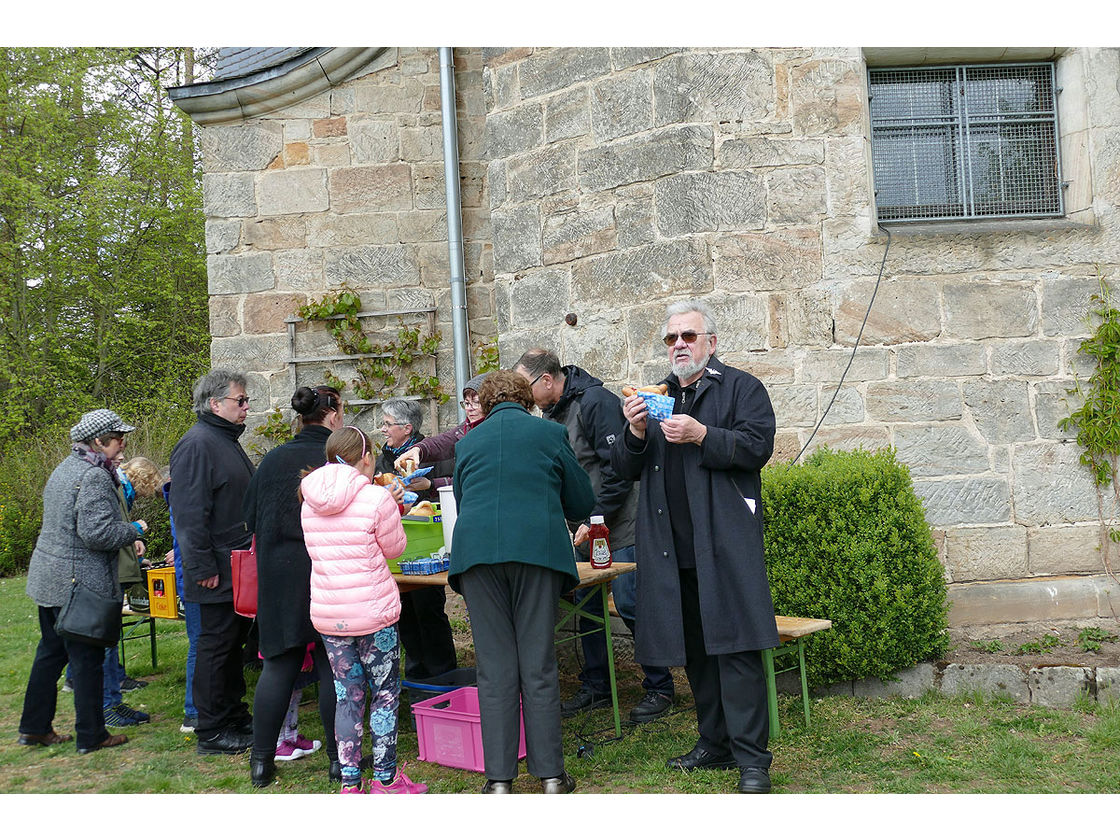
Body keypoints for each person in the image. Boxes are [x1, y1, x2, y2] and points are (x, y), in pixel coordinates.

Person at [611, 299, 780, 795]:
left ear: (710, 342)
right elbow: (623, 467)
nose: (679, 345)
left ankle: (753, 761)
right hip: (670, 550)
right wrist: (636, 431)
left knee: (738, 650)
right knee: (698, 652)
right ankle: (714, 743)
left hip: (723, 545)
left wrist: (704, 434)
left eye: (688, 336)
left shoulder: (742, 388)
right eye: (671, 339)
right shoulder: (657, 396)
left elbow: (758, 447)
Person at [449, 370, 595, 794]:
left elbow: (463, 499)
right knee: (538, 665)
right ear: (527, 399)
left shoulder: (467, 442)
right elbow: (582, 500)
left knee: (493, 670)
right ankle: (550, 775)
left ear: (488, 403)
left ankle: (498, 781)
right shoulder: (549, 434)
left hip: (477, 556)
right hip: (537, 553)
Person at [514, 349, 677, 723]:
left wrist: (595, 517)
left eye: (526, 386)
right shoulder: (549, 412)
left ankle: (660, 687)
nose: (523, 394)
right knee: (586, 604)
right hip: (582, 529)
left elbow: (619, 467)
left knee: (632, 602)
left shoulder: (596, 402)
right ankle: (598, 686)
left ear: (547, 380)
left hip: (620, 523)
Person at [300, 425, 427, 794]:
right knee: (385, 693)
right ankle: (386, 778)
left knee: (347, 695)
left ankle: (350, 782)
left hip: (330, 612)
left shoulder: (310, 501)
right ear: (367, 458)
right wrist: (395, 506)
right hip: (373, 614)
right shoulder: (375, 499)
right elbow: (396, 548)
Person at [18, 409, 146, 755]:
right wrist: (134, 529)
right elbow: (97, 533)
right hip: (77, 583)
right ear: (98, 441)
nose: (123, 444)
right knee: (87, 660)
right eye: (118, 438)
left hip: (50, 577)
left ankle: (33, 728)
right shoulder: (93, 476)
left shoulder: (65, 468)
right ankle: (92, 736)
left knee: (50, 652)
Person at [241, 385, 344, 787]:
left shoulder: (272, 459)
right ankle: (339, 760)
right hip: (324, 571)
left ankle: (261, 762)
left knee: (279, 666)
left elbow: (248, 516)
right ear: (333, 416)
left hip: (278, 573)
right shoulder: (336, 461)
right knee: (332, 667)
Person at [169, 369, 256, 756]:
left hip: (233, 564)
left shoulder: (223, 440)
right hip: (214, 571)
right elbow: (189, 516)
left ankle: (233, 715)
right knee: (213, 647)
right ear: (214, 403)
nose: (247, 407)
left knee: (232, 645)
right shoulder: (197, 445)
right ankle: (211, 729)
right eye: (241, 400)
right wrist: (202, 568)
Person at [374, 397, 457, 684]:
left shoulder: (432, 453)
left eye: (387, 424)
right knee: (404, 611)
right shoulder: (384, 456)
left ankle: (443, 674)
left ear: (407, 428)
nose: (383, 429)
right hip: (394, 546)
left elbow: (448, 494)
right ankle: (417, 673)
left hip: (427, 545)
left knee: (429, 609)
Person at [390, 372, 489, 481]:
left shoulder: (493, 433)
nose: (469, 408)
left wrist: (431, 485)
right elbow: (443, 441)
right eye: (466, 403)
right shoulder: (465, 429)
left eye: (476, 402)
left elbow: (476, 479)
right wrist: (418, 449)